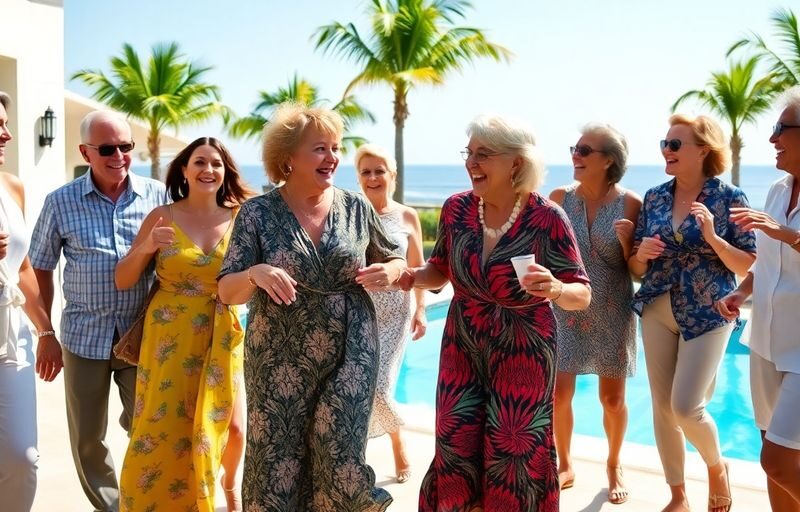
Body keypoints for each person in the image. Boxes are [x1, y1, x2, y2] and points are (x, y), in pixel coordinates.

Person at [217, 103, 404, 511]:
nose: (333, 157)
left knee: (340, 451)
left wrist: (391, 271)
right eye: (320, 148)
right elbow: (226, 291)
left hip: (351, 346)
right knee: (277, 463)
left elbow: (395, 258)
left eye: (335, 147)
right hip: (278, 356)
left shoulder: (356, 206)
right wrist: (255, 273)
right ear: (288, 158)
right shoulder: (257, 213)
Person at [400, 114, 591, 511]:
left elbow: (582, 293)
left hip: (523, 353)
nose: (471, 163)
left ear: (516, 163)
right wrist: (407, 277)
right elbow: (440, 269)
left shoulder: (546, 218)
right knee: (455, 445)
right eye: (468, 153)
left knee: (513, 457)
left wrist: (555, 288)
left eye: (483, 155)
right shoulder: (456, 209)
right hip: (462, 346)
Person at [28, 110, 166, 511]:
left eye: (126, 146)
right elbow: (38, 269)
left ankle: (145, 499)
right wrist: (45, 333)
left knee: (148, 427)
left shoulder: (158, 196)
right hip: (83, 337)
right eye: (108, 149)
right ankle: (112, 507)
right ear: (85, 152)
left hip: (141, 336)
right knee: (88, 438)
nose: (119, 156)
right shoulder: (60, 202)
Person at [116, 137, 252, 512]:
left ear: (226, 173)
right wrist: (145, 248)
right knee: (164, 429)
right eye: (200, 162)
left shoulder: (242, 216)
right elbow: (123, 278)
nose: (209, 170)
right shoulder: (162, 216)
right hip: (169, 334)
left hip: (222, 330)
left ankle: (224, 488)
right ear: (184, 171)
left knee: (232, 427)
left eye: (217, 164)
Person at [629, 114, 756, 512]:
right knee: (662, 407)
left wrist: (714, 238)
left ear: (703, 149)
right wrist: (639, 255)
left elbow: (749, 264)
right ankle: (678, 496)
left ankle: (717, 469)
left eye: (675, 144)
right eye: (664, 144)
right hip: (657, 306)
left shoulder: (730, 197)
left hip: (708, 311)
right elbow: (634, 268)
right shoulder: (654, 197)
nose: (666, 151)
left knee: (686, 407)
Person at [717, 86, 800, 511]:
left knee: (781, 460)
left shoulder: (773, 211)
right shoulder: (776, 190)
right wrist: (740, 291)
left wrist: (782, 232)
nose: (771, 139)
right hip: (765, 343)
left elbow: (780, 239)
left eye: (779, 129)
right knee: (770, 455)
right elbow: (766, 261)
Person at [549, 123, 641, 504]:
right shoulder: (558, 198)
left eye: (585, 151)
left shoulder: (631, 204)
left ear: (609, 161)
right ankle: (565, 462)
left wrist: (626, 242)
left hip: (612, 308)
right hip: (567, 308)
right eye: (575, 148)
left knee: (612, 400)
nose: (576, 155)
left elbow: (637, 270)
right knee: (558, 395)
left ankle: (614, 463)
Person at [0, 92, 63, 511]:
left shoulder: (12, 186)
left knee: (22, 458)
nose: (6, 134)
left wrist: (45, 330)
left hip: (11, 340)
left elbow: (22, 267)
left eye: (5, 124)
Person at [354, 143, 427, 483]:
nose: (372, 177)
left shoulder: (408, 216)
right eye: (365, 171)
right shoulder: (350, 214)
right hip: (358, 313)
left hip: (396, 312)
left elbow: (418, 268)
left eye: (379, 170)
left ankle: (399, 445)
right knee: (359, 388)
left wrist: (422, 309)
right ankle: (358, 457)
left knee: (380, 388)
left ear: (392, 175)